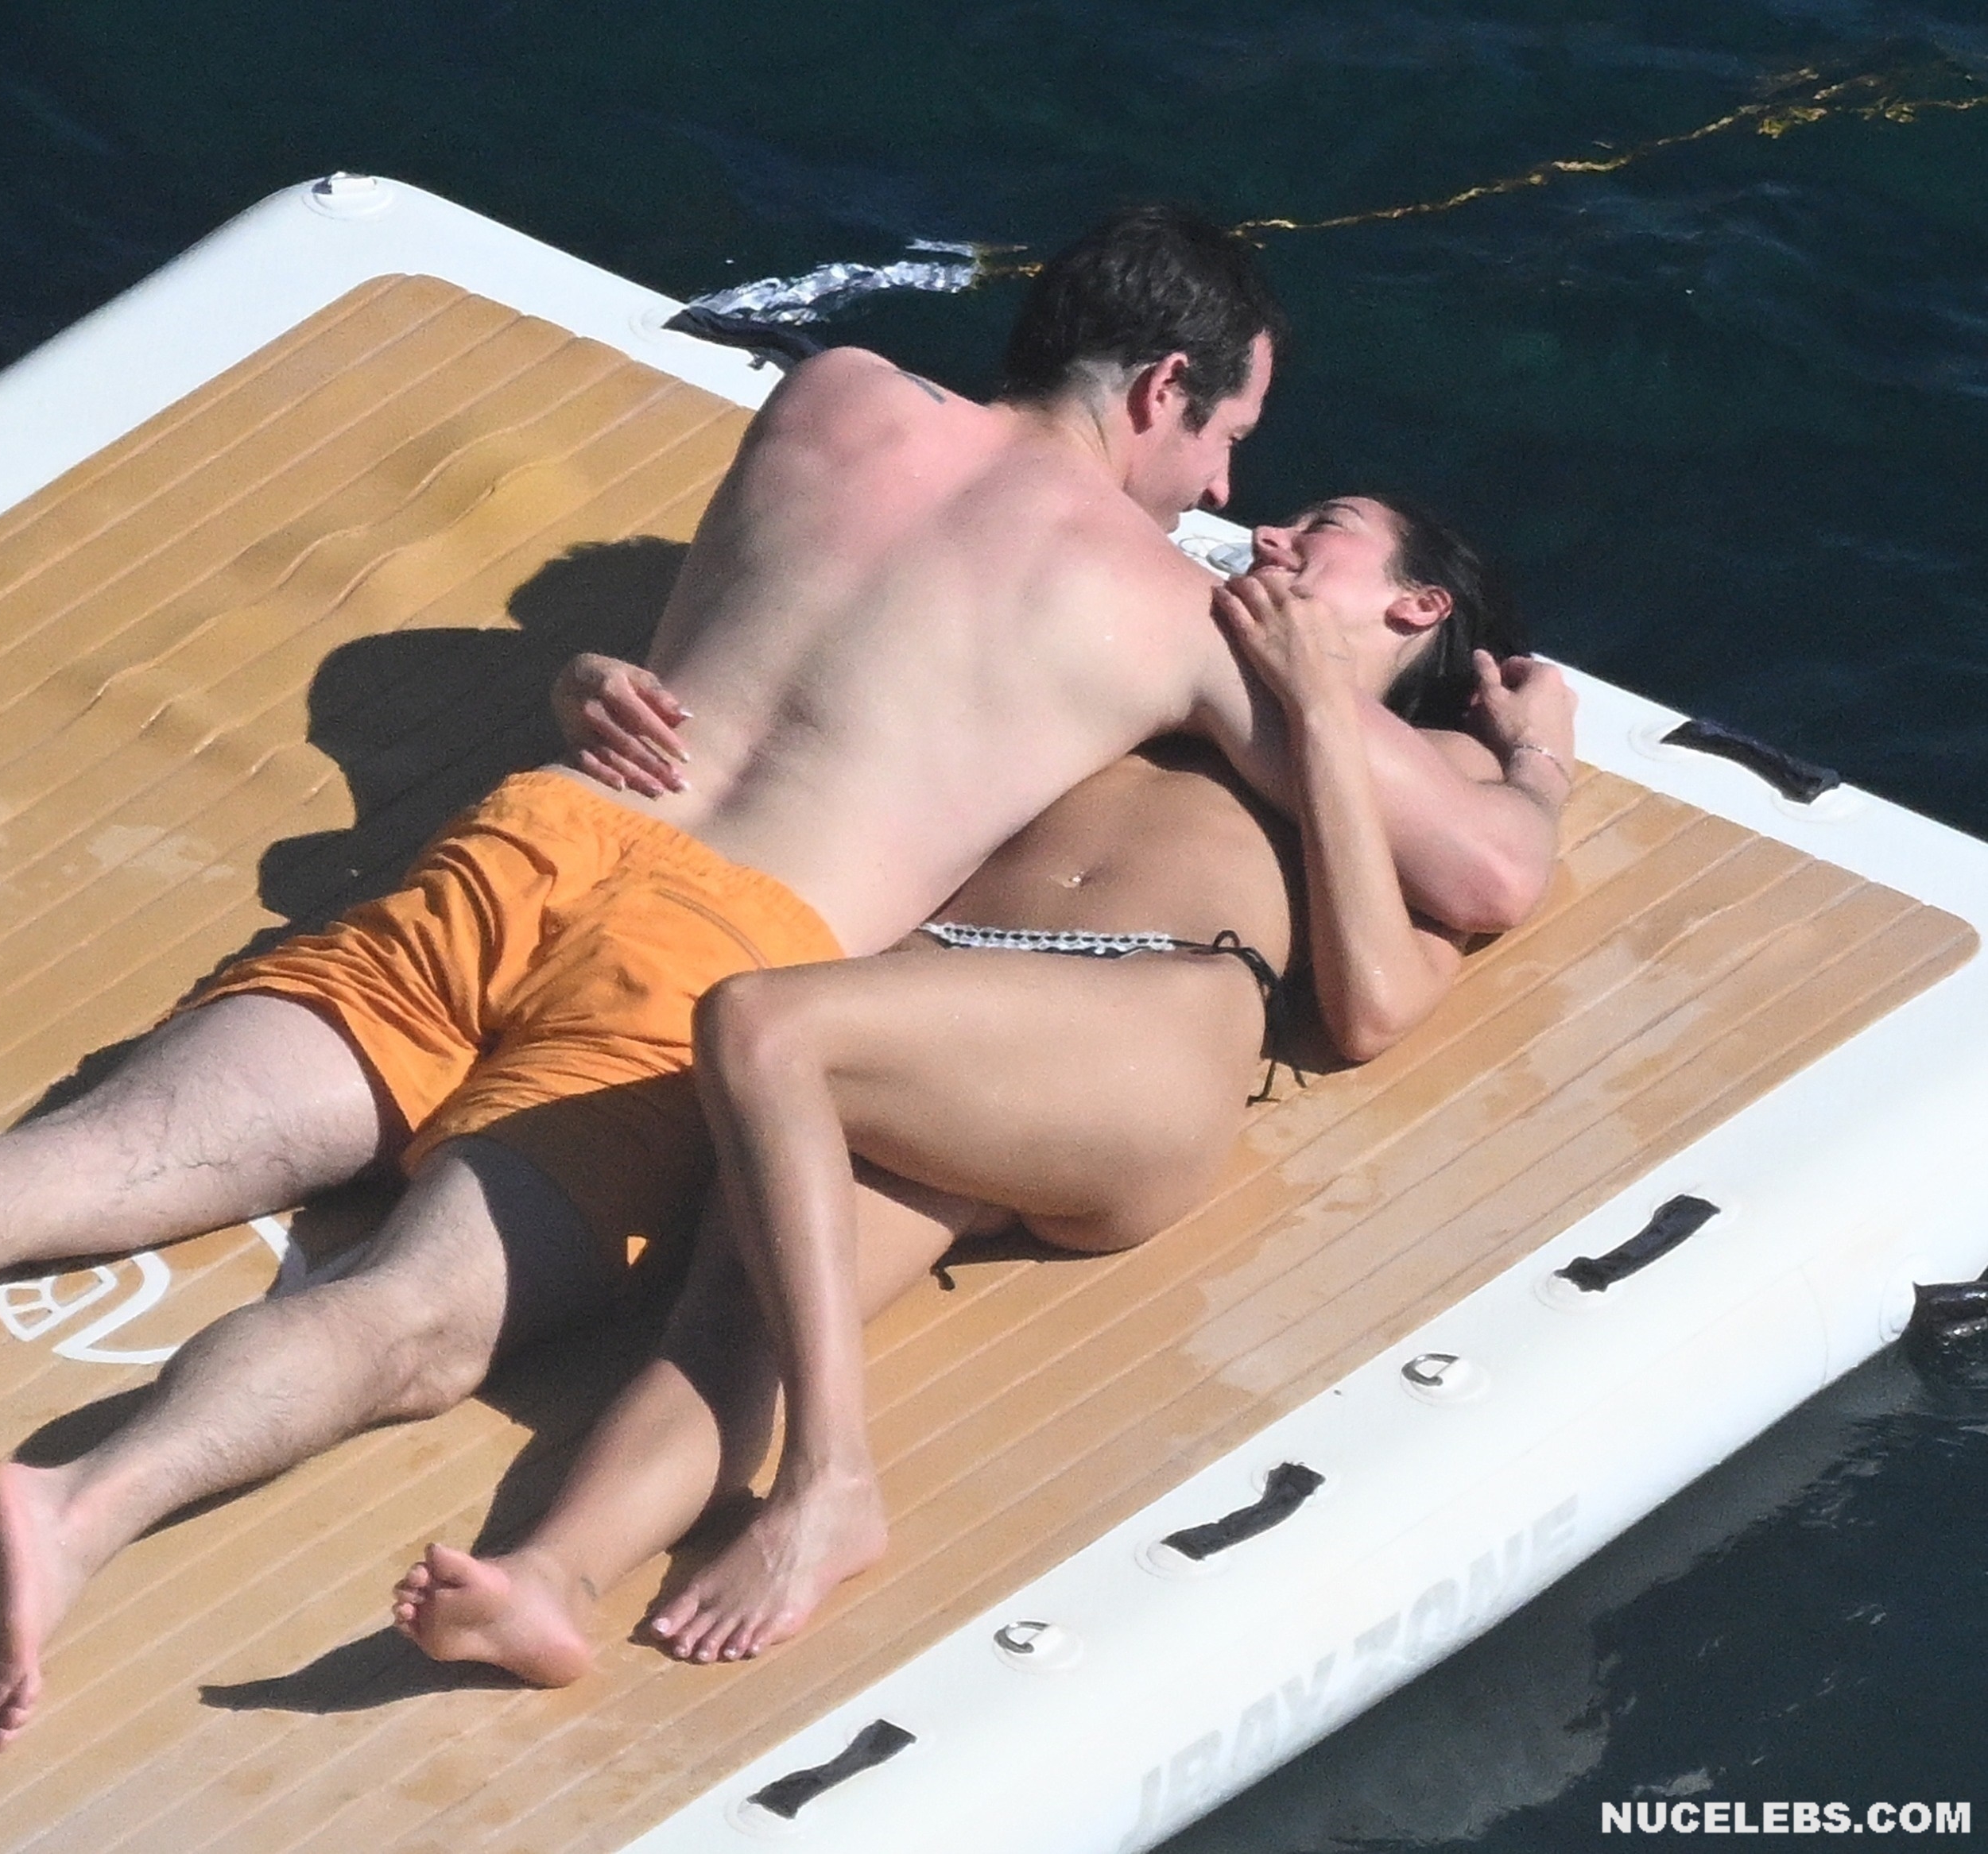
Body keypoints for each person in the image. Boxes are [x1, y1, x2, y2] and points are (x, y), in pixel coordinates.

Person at [0, 206, 1571, 1765]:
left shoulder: (834, 396)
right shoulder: (1163, 609)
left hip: (543, 831)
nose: (1225, 493)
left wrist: (576, 674)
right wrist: (1481, 745)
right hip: (710, 959)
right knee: (398, 1321)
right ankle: (76, 1505)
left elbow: (752, 623)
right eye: (1229, 436)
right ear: (1160, 391)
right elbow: (1476, 874)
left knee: (83, 1163)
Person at [392, 494, 1562, 1684]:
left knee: (761, 1021)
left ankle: (832, 1481)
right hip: (944, 1023)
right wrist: (589, 679)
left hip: (1141, 1024)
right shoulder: (1166, 643)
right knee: (743, 1314)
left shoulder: (1435, 770)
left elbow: (1376, 1006)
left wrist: (1450, 738)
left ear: (1419, 604)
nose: (1271, 535)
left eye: (1325, 525)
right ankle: (553, 1578)